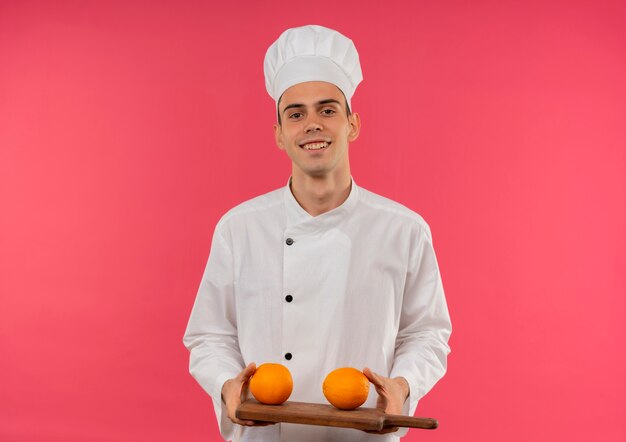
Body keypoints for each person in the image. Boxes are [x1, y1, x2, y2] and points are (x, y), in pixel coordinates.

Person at [183, 25, 452, 442]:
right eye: (296, 114)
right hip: (266, 434)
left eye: (327, 110)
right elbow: (210, 334)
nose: (312, 124)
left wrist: (403, 386)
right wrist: (226, 385)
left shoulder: (404, 230)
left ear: (353, 124)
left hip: (364, 435)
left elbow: (427, 333)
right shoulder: (239, 228)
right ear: (278, 134)